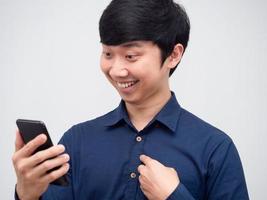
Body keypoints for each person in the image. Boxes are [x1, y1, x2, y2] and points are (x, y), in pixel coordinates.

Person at [12, 0, 249, 199]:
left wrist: (174, 195)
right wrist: (27, 194)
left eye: (130, 56)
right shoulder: (75, 142)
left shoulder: (216, 148)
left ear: (174, 55)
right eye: (107, 54)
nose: (116, 70)